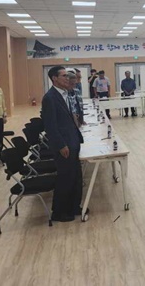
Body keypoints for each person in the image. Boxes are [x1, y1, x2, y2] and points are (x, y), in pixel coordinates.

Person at [41, 66, 84, 222]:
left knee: (75, 176)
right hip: (63, 144)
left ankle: (74, 206)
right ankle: (59, 212)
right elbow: (50, 125)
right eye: (64, 76)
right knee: (65, 178)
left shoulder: (65, 94)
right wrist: (60, 145)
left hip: (72, 140)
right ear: (54, 78)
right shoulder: (50, 97)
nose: (68, 78)